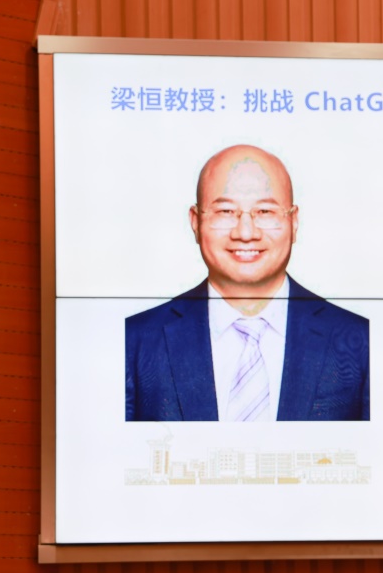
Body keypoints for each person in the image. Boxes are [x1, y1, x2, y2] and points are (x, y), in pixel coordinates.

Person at [125, 145, 369, 421]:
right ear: (195, 222)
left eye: (265, 211)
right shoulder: (135, 341)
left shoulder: (360, 341)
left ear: (294, 222)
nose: (245, 232)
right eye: (225, 211)